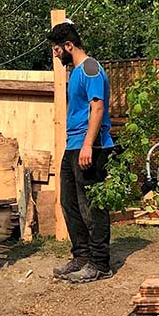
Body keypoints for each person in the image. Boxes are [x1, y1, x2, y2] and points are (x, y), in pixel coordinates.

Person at [46, 21, 114, 283]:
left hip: (91, 146)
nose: (55, 54)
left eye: (56, 48)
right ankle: (82, 256)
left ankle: (100, 263)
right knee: (69, 203)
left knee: (93, 206)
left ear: (68, 46)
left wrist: (88, 144)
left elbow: (97, 108)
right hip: (73, 145)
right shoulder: (75, 72)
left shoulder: (90, 68)